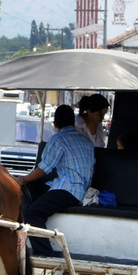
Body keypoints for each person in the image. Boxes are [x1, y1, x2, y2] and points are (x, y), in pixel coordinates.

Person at [17, 105, 94, 256]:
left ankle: (44, 253)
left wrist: (22, 180)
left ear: (55, 124)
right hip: (82, 189)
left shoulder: (58, 139)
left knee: (32, 214)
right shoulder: (86, 141)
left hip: (68, 190)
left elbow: (45, 168)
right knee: (38, 186)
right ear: (73, 122)